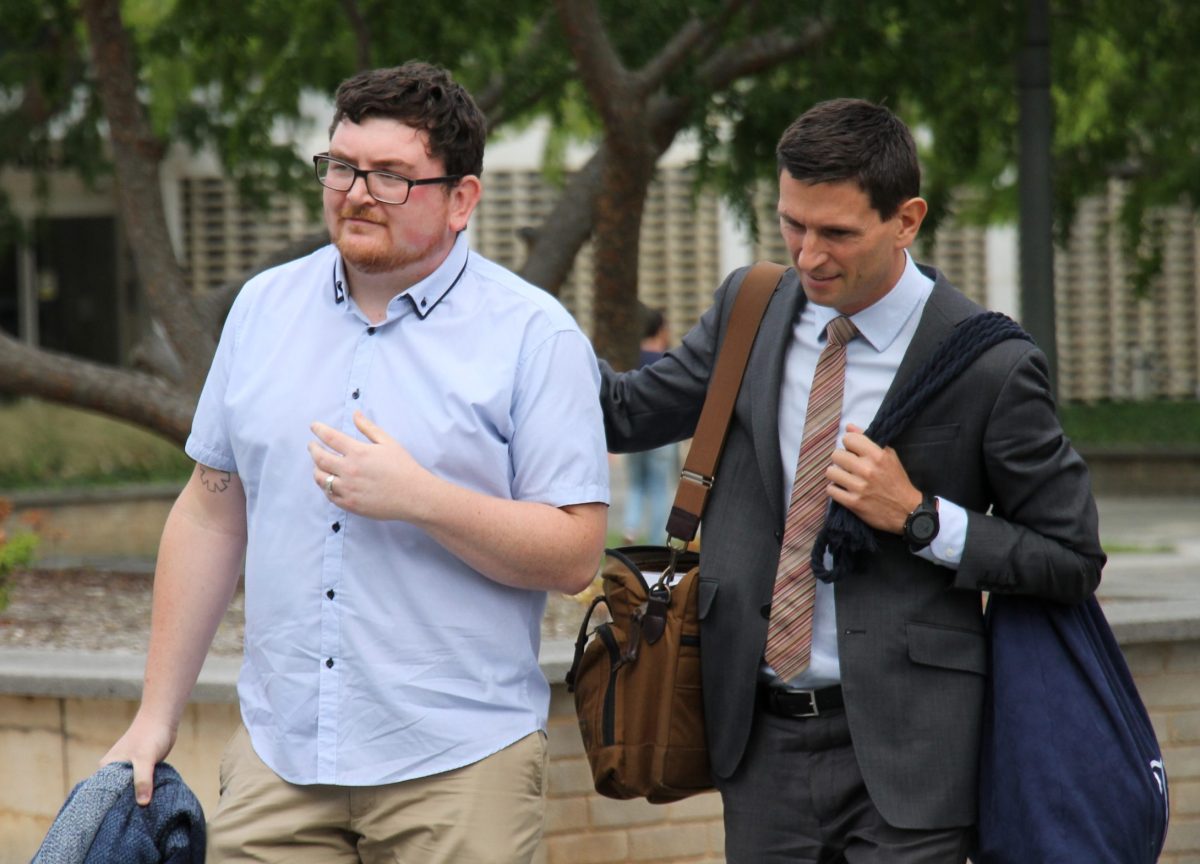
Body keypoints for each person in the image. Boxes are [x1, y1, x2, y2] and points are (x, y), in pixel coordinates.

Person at [101, 61, 609, 863]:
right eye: (342, 166)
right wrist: (155, 715)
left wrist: (423, 499)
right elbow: (210, 510)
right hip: (282, 756)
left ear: (462, 200)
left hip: (458, 762)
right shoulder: (263, 309)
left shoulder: (533, 337)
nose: (357, 191)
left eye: (393, 176)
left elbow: (576, 552)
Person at [600, 98, 1105, 863]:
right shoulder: (752, 307)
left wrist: (920, 516)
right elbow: (626, 413)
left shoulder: (989, 363)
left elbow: (1072, 558)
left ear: (907, 220)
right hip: (759, 740)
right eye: (792, 225)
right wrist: (511, 322)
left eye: (836, 232)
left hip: (914, 754)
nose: (808, 256)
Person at [620, 306, 680, 543]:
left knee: (635, 485)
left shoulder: (631, 358)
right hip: (662, 435)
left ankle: (630, 529)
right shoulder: (668, 360)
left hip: (634, 433)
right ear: (661, 329)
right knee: (658, 489)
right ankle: (656, 544)